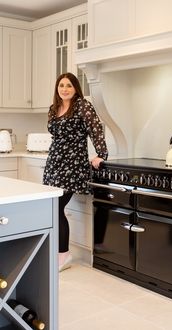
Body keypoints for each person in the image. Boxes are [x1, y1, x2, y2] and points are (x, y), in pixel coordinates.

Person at [43, 72, 108, 272]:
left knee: (56, 207)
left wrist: (101, 154)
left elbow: (96, 129)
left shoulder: (82, 106)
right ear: (57, 88)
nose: (64, 89)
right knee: (52, 208)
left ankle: (64, 255)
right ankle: (58, 252)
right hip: (54, 163)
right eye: (61, 85)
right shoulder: (54, 109)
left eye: (69, 85)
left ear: (75, 88)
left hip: (73, 164)